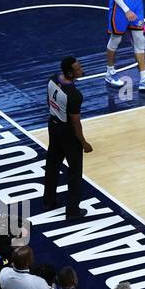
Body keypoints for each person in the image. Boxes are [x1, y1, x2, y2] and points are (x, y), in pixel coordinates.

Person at [43, 56, 91, 220]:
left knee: (52, 164)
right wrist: (84, 142)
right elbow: (76, 123)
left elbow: (48, 101)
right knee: (75, 172)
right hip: (67, 133)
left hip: (53, 125)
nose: (81, 69)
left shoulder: (52, 79)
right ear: (70, 73)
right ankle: (72, 211)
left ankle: (49, 201)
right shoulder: (74, 95)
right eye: (78, 68)